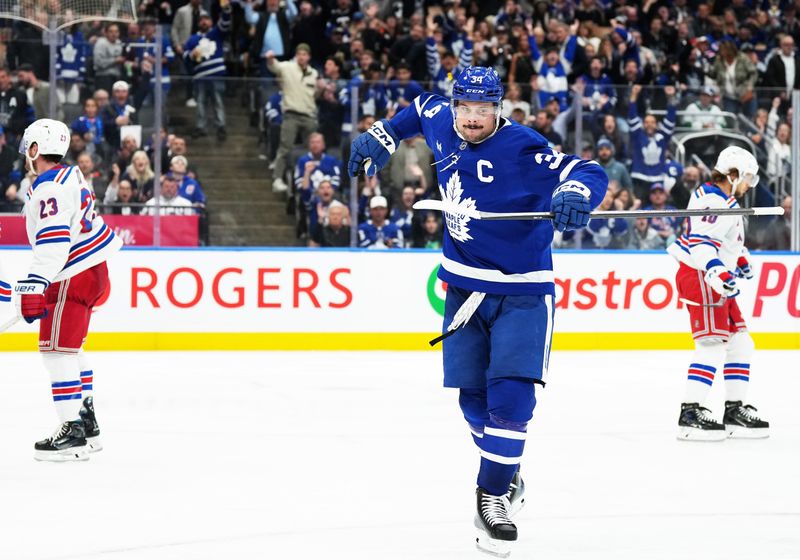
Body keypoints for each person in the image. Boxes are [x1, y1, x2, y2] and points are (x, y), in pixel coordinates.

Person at [347, 66, 607, 556]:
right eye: (464, 107)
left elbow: (586, 171)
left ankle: (492, 498)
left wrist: (575, 193)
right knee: (472, 401)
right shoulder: (441, 118)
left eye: (482, 109)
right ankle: (506, 471)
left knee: (512, 399)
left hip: (522, 292)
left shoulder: (523, 147)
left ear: (498, 108)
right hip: (463, 289)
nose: (470, 118)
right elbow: (417, 110)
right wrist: (382, 133)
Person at [13, 118, 122, 461]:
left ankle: (72, 431)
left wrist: (36, 284)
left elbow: (54, 242)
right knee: (71, 349)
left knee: (55, 352)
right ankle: (87, 424)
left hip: (71, 274)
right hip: (93, 270)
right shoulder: (72, 175)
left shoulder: (48, 189)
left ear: (35, 149)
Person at [667, 146, 769, 441]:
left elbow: (724, 241)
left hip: (712, 276)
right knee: (712, 345)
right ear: (733, 173)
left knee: (740, 342)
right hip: (700, 276)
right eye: (748, 177)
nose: (750, 184)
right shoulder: (712, 199)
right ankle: (690, 413)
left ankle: (734, 409)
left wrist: (739, 258)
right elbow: (701, 242)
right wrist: (716, 271)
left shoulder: (726, 201)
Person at [267, 43, 320, 193]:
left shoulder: (314, 73)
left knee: (313, 147)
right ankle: (277, 178)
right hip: (291, 114)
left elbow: (314, 95)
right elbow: (274, 67)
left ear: (308, 57)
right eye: (299, 54)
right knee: (285, 147)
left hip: (309, 115)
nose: (302, 57)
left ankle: (313, 176)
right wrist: (270, 59)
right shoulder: (287, 67)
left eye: (305, 54)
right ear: (296, 56)